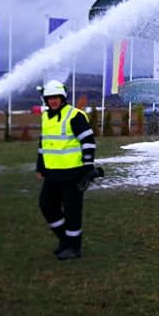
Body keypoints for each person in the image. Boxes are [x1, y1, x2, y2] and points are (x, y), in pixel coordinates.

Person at [36, 80, 98, 260]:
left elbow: (88, 142)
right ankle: (65, 240)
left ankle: (74, 247)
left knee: (72, 212)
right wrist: (40, 166)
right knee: (47, 205)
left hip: (73, 173)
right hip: (52, 173)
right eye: (49, 98)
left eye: (56, 97)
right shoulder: (45, 117)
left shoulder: (74, 116)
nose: (53, 101)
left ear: (63, 98)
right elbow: (43, 144)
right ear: (45, 100)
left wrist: (87, 168)